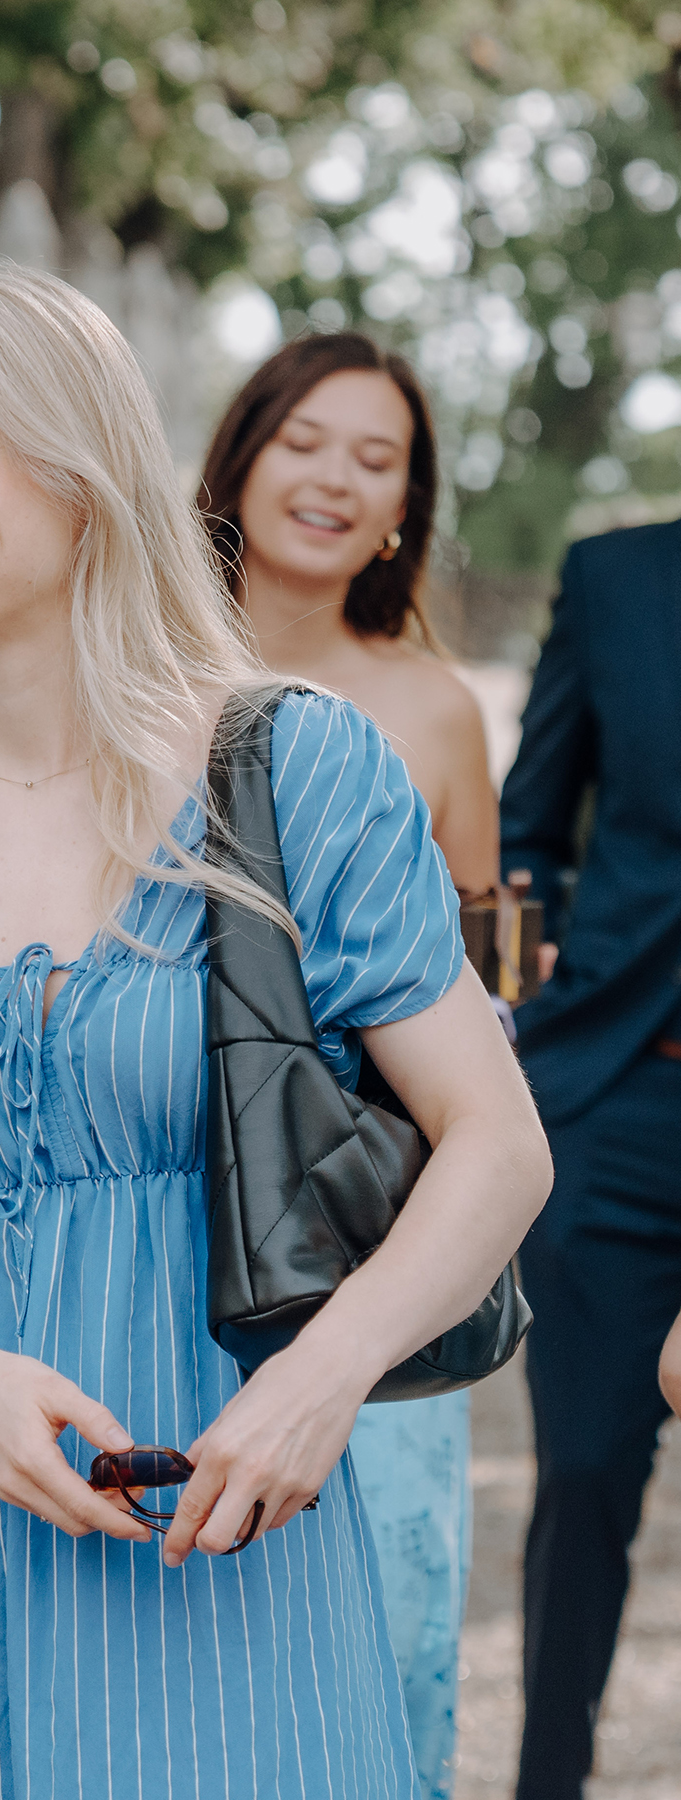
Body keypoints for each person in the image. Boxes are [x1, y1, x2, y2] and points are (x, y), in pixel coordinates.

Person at [0, 263, 550, 1799]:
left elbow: (498, 1144)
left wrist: (324, 1386)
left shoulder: (295, 768)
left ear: (85, 475)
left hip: (228, 1518)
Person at [199, 332, 497, 1800]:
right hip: (171, 1200)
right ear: (241, 454)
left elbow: (476, 998)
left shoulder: (436, 710)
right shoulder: (133, 662)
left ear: (403, 514)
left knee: (383, 1639)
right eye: (307, 439)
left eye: (376, 461)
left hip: (366, 1232)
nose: (333, 479)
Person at [500, 514, 681, 1800]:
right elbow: (530, 827)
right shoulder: (615, 578)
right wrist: (541, 986)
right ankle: (547, 1779)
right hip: (615, 1098)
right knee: (582, 1474)